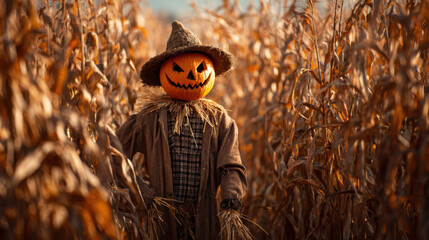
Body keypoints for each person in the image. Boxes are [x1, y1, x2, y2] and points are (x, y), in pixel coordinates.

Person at [116, 20, 247, 240]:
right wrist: (144, 195)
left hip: (204, 221)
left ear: (211, 71)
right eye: (177, 69)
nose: (190, 76)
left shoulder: (219, 120)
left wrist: (231, 202)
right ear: (164, 73)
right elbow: (113, 154)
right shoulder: (150, 119)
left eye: (200, 68)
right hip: (162, 220)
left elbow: (231, 166)